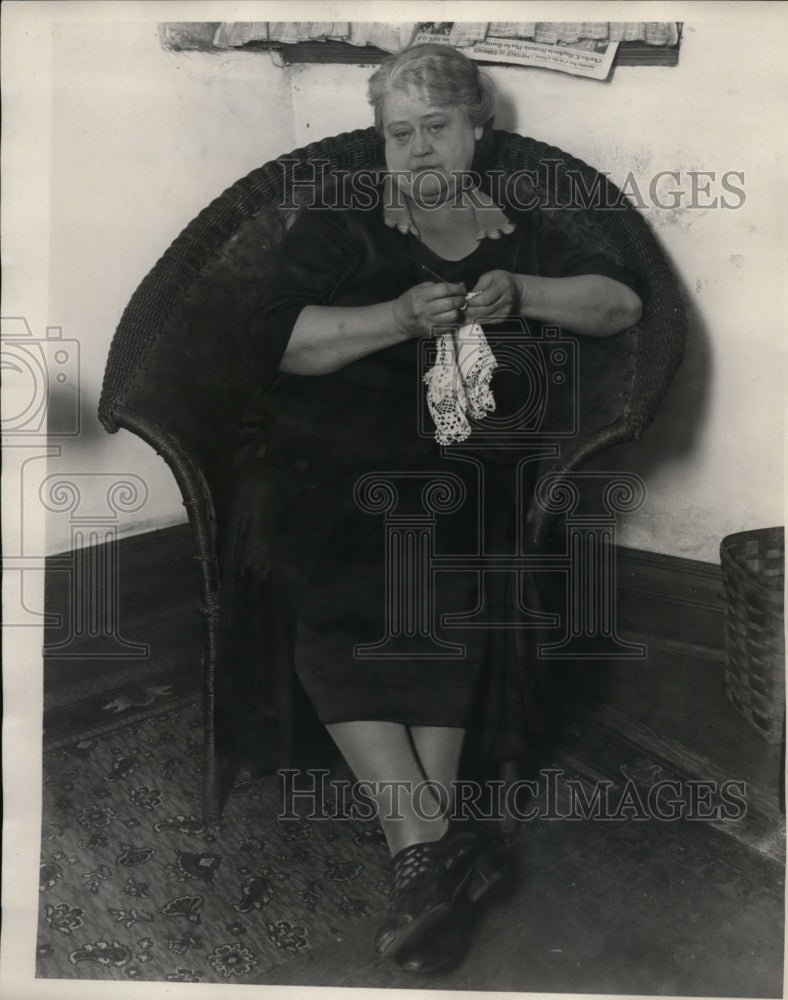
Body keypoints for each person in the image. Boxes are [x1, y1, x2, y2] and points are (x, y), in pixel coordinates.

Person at [220, 43, 642, 973]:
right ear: (381, 142)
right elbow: (280, 345)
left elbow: (619, 305)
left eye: (434, 127)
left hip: (459, 461)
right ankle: (432, 847)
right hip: (328, 452)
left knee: (449, 560)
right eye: (397, 133)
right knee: (349, 558)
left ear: (476, 130)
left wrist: (524, 291)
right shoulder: (341, 223)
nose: (415, 149)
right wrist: (396, 320)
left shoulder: (519, 226)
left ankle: (425, 860)